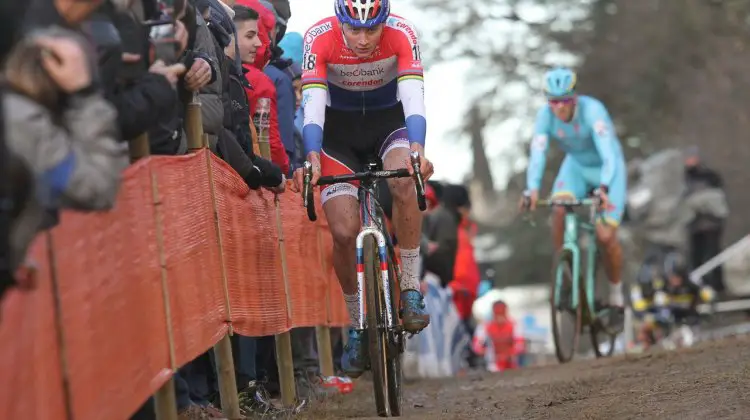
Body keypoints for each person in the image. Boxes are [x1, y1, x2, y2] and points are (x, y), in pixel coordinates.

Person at [290, 0, 433, 378]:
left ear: (385, 21)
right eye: (354, 29)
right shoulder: (318, 38)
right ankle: (357, 323)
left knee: (405, 177)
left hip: (390, 125)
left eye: (372, 29)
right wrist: (312, 156)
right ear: (340, 22)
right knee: (342, 231)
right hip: (336, 136)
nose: (364, 39)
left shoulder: (403, 32)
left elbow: (413, 97)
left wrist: (418, 147)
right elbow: (313, 105)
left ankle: (410, 287)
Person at [520, 67, 627, 309]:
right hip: (576, 168)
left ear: (575, 97)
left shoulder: (593, 111)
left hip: (607, 169)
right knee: (558, 207)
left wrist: (605, 188)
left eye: (565, 100)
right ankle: (564, 271)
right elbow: (538, 152)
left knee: (605, 236)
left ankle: (616, 294)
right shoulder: (544, 117)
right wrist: (532, 189)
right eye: (553, 101)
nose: (559, 107)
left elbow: (609, 154)